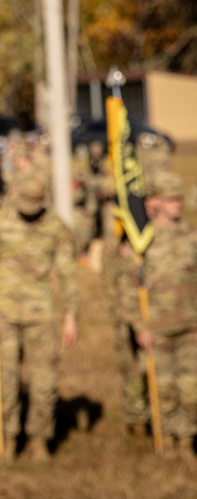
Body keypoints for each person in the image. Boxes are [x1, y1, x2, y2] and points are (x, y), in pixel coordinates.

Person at [0, 177, 78, 461]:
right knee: (6, 380)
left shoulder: (55, 227)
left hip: (42, 315)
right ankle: (9, 438)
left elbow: (67, 273)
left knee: (44, 382)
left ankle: (39, 439)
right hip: (5, 314)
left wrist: (71, 314)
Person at [118, 171, 197, 459]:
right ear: (154, 202)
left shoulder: (192, 237)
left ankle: (186, 440)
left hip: (190, 327)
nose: (178, 204)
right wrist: (140, 326)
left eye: (179, 198)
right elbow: (127, 290)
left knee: (191, 389)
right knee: (163, 389)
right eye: (170, 199)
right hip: (157, 329)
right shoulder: (141, 243)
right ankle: (167, 443)